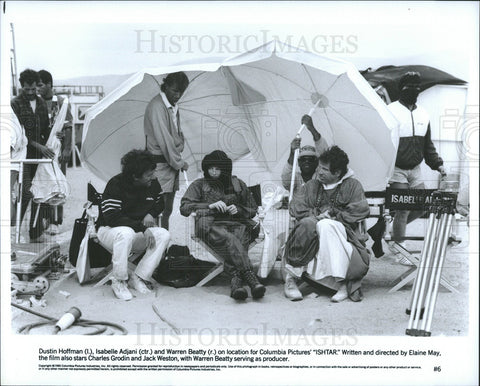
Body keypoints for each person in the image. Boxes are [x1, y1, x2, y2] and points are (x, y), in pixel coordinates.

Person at [283, 146, 370, 302]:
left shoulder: (352, 185)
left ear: (337, 173)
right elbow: (296, 206)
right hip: (314, 235)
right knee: (310, 224)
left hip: (344, 238)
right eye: (319, 168)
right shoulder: (311, 186)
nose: (319, 172)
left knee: (326, 225)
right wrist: (317, 215)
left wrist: (333, 216)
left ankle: (342, 283)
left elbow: (360, 209)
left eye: (324, 169)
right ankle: (292, 278)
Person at [180, 150, 266, 300]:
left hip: (236, 223)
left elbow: (253, 209)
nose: (213, 172)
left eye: (218, 169)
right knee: (232, 240)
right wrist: (210, 206)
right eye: (210, 168)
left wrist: (238, 209)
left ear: (225, 169)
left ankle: (236, 283)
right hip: (210, 226)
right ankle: (250, 277)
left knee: (239, 236)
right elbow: (184, 208)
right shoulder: (199, 185)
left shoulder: (237, 184)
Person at [387, 72, 446, 262]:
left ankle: (394, 230)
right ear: (401, 89)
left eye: (416, 87)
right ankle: (400, 249)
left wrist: (439, 165)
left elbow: (427, 145)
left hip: (415, 169)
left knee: (421, 206)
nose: (413, 91)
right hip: (396, 169)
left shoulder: (423, 114)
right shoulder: (390, 110)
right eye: (408, 87)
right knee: (403, 208)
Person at [96, 150, 171, 301]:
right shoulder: (115, 184)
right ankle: (119, 280)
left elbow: (160, 203)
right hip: (110, 232)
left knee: (163, 234)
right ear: (135, 177)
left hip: (135, 233)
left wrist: (151, 214)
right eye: (149, 175)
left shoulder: (153, 184)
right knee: (125, 233)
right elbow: (113, 218)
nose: (154, 177)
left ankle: (139, 276)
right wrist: (143, 228)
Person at [144, 71, 190, 230]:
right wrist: (179, 162)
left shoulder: (174, 107)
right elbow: (165, 139)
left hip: (170, 163)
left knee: (167, 209)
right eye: (175, 91)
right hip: (159, 165)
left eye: (181, 92)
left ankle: (164, 244)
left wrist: (178, 151)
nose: (178, 95)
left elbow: (177, 135)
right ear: (166, 87)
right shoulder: (157, 106)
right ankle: (157, 248)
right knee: (156, 208)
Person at [11, 69, 52, 242]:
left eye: (33, 89)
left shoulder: (42, 103)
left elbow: (45, 128)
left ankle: (35, 233)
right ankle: (14, 231)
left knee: (39, 193)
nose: (29, 93)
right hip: (22, 156)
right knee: (26, 193)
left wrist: (53, 141)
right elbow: (18, 134)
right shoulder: (15, 103)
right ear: (21, 86)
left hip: (39, 155)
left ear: (37, 86)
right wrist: (39, 146)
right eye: (26, 90)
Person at [37, 69, 73, 235]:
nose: (38, 88)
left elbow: (68, 126)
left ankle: (55, 221)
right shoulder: (35, 102)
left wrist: (67, 148)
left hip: (56, 150)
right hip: (40, 149)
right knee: (40, 184)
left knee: (57, 184)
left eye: (41, 85)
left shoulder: (61, 102)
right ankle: (42, 220)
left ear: (49, 84)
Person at [281, 115, 329, 193]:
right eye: (303, 159)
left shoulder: (322, 177)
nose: (307, 161)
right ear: (299, 163)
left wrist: (312, 129)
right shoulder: (295, 178)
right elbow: (286, 180)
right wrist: (292, 153)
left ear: (317, 162)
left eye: (311, 159)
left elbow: (326, 156)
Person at [9, 106, 28, 225]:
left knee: (5, 198)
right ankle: (12, 231)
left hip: (11, 165)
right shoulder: (13, 120)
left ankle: (11, 232)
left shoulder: (9, 121)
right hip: (13, 164)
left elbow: (8, 145)